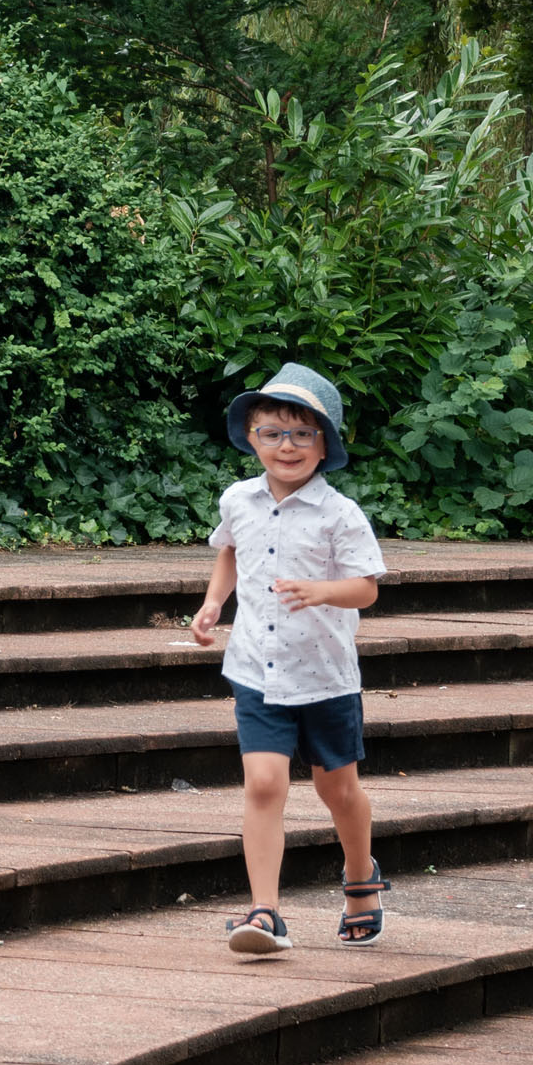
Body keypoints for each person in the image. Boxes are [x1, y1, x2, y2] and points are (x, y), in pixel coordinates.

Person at [189, 359, 385, 959]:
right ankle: (265, 912)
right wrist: (212, 603)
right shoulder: (238, 500)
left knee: (339, 791)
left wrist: (323, 590)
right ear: (251, 438)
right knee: (264, 783)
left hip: (324, 677)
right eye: (272, 432)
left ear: (325, 444)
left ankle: (360, 878)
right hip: (256, 669)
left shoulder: (338, 514)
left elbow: (367, 587)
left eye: (302, 434)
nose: (287, 445)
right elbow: (228, 553)